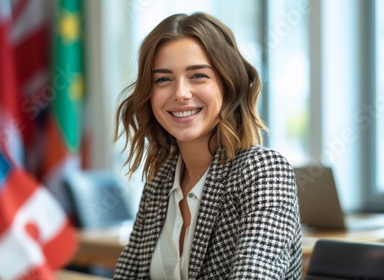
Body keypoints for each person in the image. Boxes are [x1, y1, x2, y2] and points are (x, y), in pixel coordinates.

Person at [113, 12, 302, 279]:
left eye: (198, 75)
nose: (180, 93)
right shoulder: (161, 180)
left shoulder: (263, 172)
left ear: (228, 83)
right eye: (163, 79)